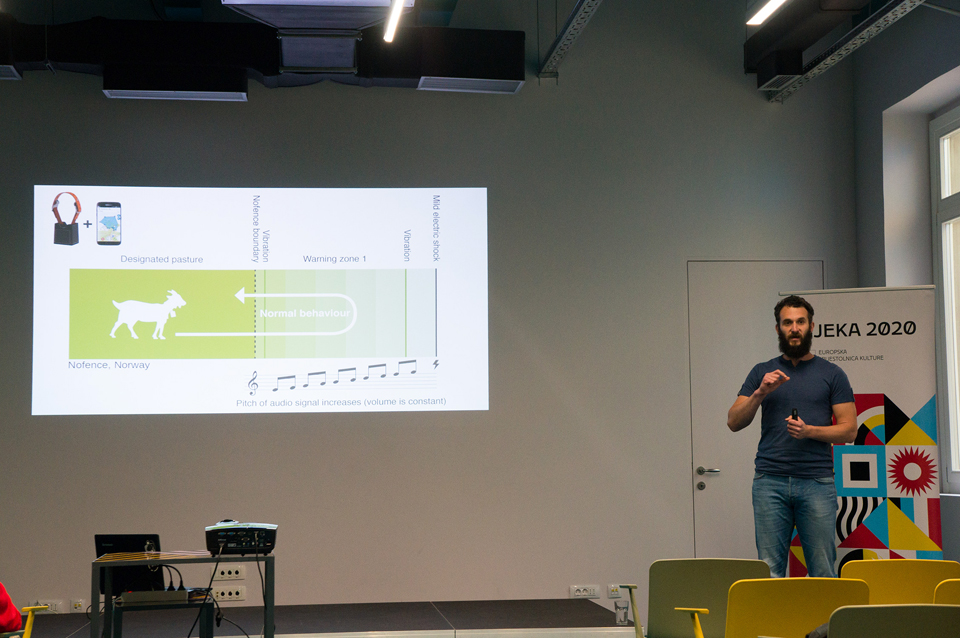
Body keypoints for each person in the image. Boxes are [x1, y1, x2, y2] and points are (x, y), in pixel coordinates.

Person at [727, 295, 856, 578]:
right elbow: (734, 422)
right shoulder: (762, 372)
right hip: (769, 482)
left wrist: (809, 431)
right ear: (778, 329)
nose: (794, 329)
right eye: (787, 323)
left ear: (811, 326)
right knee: (770, 572)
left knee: (822, 572)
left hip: (816, 482)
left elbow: (849, 430)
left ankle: (822, 613)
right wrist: (760, 393)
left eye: (800, 322)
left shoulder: (832, 373)